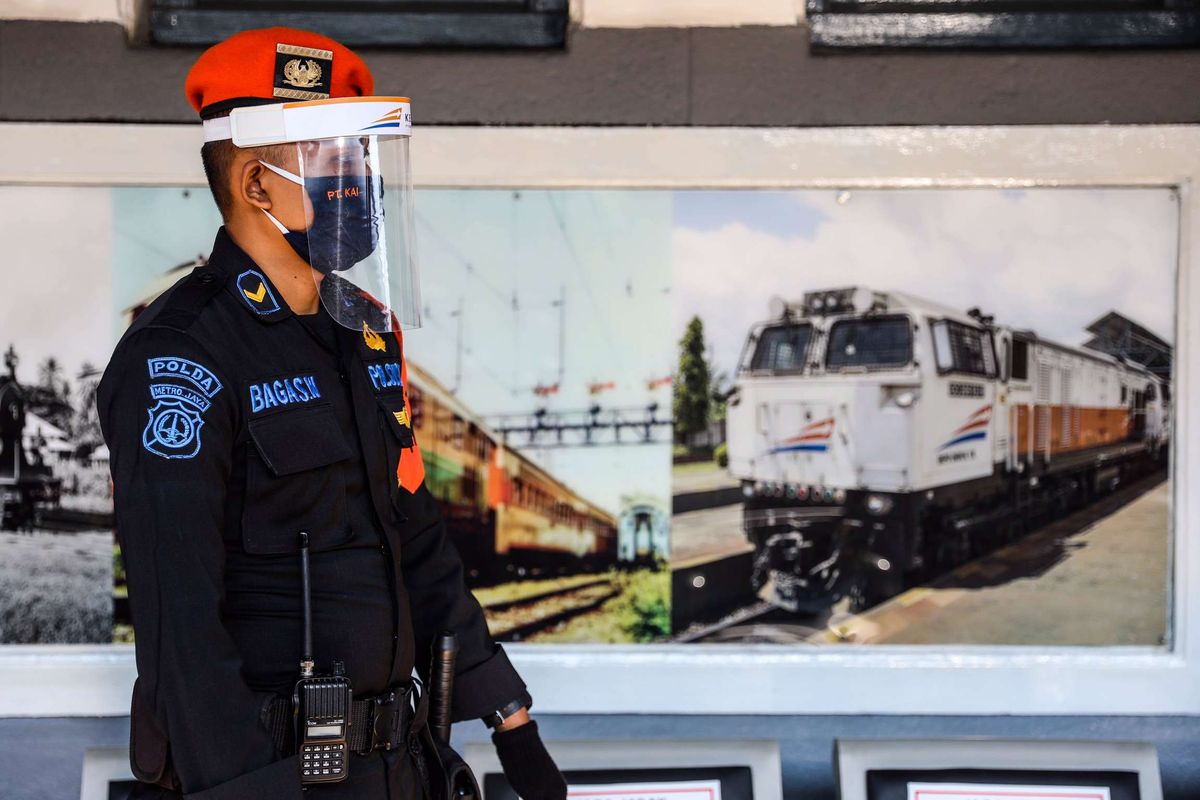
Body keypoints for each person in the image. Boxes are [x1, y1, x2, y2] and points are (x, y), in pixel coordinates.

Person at [97, 27, 567, 800]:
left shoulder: (363, 329)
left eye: (361, 160)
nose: (361, 184)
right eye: (335, 161)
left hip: (395, 766)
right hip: (276, 774)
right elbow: (179, 616)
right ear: (256, 184)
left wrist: (511, 722)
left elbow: (412, 535)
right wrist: (244, 787)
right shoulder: (179, 354)